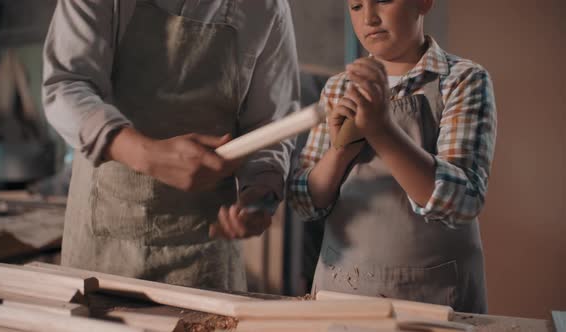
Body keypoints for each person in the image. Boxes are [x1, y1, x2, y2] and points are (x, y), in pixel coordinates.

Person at [42, 0, 299, 291]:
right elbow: (66, 86)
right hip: (101, 251)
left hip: (205, 259)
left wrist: (260, 196)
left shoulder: (267, 8)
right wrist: (145, 153)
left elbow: (270, 130)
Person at [288, 0, 496, 313]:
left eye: (383, 0)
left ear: (423, 3)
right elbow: (305, 201)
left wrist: (382, 130)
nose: (369, 18)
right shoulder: (338, 88)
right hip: (342, 293)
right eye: (356, 6)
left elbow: (462, 200)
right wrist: (340, 151)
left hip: (432, 299)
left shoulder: (463, 81)